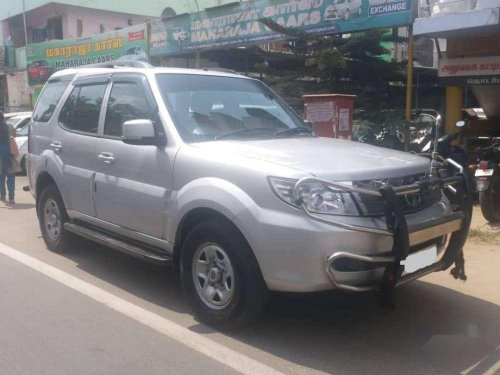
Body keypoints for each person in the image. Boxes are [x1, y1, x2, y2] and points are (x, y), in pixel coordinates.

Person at [0, 111, 20, 205]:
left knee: (1, 177)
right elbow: (15, 135)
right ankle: (11, 198)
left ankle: (2, 196)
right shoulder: (9, 126)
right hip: (10, 155)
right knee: (11, 177)